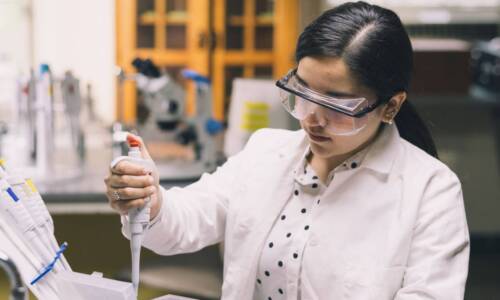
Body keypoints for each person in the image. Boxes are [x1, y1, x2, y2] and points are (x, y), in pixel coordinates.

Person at [104, 2, 470, 299]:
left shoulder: (431, 190)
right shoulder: (266, 151)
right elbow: (187, 221)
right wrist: (149, 200)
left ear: (390, 106)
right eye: (304, 94)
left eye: (337, 107)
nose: (313, 120)